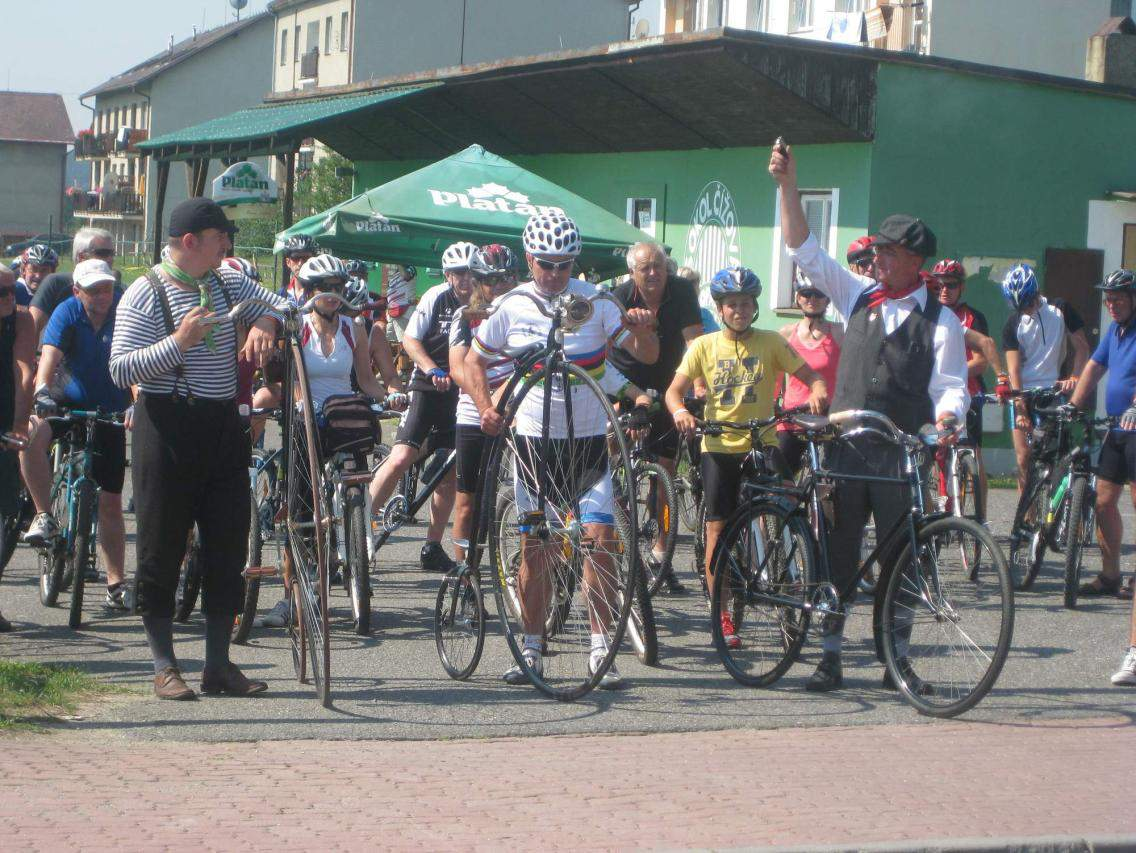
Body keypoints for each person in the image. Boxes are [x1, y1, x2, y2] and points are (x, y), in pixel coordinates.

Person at [770, 141, 969, 694]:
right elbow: (803, 248)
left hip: (899, 456)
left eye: (887, 253)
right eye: (876, 251)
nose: (876, 260)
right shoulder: (859, 296)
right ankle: (829, 657)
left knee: (902, 559)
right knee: (838, 555)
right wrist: (788, 185)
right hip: (847, 451)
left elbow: (950, 386)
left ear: (914, 261)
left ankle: (896, 660)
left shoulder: (941, 321)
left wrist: (947, 421)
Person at [466, 213, 659, 688]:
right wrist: (485, 405)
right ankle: (532, 650)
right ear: (530, 258)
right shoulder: (511, 306)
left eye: (565, 264)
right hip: (534, 448)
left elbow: (646, 356)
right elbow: (474, 361)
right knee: (536, 546)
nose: (555, 274)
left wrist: (641, 330)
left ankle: (600, 649)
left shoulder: (594, 300)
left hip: (590, 443)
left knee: (601, 541)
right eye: (547, 264)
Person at [109, 197, 288, 700]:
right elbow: (120, 369)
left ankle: (217, 665)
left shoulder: (226, 281)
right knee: (161, 545)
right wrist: (179, 343)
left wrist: (264, 323)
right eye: (218, 239)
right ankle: (165, 664)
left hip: (221, 425)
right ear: (190, 242)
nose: (226, 246)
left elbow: (280, 301)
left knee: (227, 543)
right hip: (166, 424)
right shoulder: (144, 294)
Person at [667, 266, 827, 649]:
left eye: (746, 304)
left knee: (791, 506)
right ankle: (720, 612)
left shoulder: (771, 341)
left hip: (763, 441)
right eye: (732, 304)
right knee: (717, 529)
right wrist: (681, 412)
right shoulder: (703, 346)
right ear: (720, 309)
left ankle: (796, 583)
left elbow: (811, 374)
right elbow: (674, 391)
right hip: (720, 446)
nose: (740, 310)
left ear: (755, 307)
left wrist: (818, 389)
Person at [19, 259, 132, 609]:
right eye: (94, 290)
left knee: (111, 502)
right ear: (77, 291)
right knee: (32, 435)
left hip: (111, 411)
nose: (103, 296)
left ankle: (116, 584)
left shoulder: (124, 312)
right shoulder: (66, 313)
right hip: (64, 405)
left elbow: (136, 362)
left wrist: (137, 404)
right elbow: (49, 358)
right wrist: (41, 391)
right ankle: (43, 515)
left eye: (108, 288)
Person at [369, 243, 477, 573]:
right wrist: (431, 368)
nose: (465, 279)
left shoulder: (483, 304)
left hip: (460, 394)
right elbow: (410, 342)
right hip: (427, 387)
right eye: (458, 273)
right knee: (401, 457)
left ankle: (432, 547)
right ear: (447, 275)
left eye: (470, 272)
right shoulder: (435, 298)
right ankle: (359, 529)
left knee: (448, 473)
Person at [610, 241, 704, 593]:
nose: (653, 273)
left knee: (663, 473)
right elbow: (604, 349)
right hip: (624, 382)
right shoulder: (620, 296)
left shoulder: (680, 291)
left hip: (667, 382)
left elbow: (695, 343)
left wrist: (698, 386)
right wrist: (619, 398)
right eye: (645, 267)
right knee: (610, 453)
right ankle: (615, 517)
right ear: (632, 272)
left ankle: (660, 555)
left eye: (659, 266)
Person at [1066, 269, 1136, 601]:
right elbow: (1094, 366)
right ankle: (1110, 576)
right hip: (1117, 429)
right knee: (1104, 503)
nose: (1112, 304)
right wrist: (1074, 405)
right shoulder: (1115, 331)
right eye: (1108, 298)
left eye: (1118, 298)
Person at [447, 246, 518, 565]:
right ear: (477, 282)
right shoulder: (465, 318)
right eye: (492, 280)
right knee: (468, 501)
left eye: (507, 279)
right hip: (474, 412)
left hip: (518, 409)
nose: (500, 286)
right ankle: (466, 573)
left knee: (520, 497)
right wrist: (488, 404)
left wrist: (505, 398)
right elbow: (458, 369)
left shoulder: (525, 314)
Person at [927, 259, 1009, 511]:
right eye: (938, 285)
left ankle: (981, 516)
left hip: (968, 394)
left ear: (961, 287)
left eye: (950, 285)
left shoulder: (972, 317)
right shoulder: (926, 312)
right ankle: (939, 508)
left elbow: (981, 362)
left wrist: (949, 372)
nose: (944, 290)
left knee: (974, 455)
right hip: (930, 394)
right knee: (933, 455)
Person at [1002, 263, 1091, 489]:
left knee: (1054, 458)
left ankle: (1053, 515)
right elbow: (1013, 370)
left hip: (1053, 391)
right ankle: (1026, 519)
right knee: (1024, 458)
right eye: (1020, 307)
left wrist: (1075, 376)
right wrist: (1021, 408)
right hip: (1023, 391)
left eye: (1028, 303)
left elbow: (1082, 348)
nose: (1026, 309)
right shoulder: (1013, 323)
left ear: (1036, 293)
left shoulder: (1060, 309)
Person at [777, 271, 843, 474]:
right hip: (792, 416)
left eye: (818, 294)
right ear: (798, 298)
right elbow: (776, 377)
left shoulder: (839, 332)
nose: (812, 299)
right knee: (781, 479)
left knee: (830, 481)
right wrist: (771, 405)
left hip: (828, 416)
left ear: (827, 299)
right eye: (806, 294)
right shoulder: (787, 333)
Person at [0, 265, 35, 632]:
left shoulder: (22, 320)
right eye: (1, 293)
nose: (10, 298)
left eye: (13, 290)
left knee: (4, 508)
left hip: (5, 409)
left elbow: (23, 368)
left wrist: (20, 423)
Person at [29, 228, 118, 335]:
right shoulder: (56, 284)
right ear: (81, 257)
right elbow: (31, 329)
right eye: (103, 253)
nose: (110, 259)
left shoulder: (117, 288)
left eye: (112, 253)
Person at [384, 265, 417, 375]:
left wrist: (399, 262)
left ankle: (403, 369)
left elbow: (406, 276)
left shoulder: (409, 269)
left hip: (404, 312)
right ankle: (392, 368)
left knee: (403, 342)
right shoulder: (395, 274)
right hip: (393, 313)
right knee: (391, 341)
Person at [281, 235, 319, 304]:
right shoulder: (281, 294)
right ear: (288, 262)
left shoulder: (321, 295)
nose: (300, 263)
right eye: (295, 257)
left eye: (306, 258)